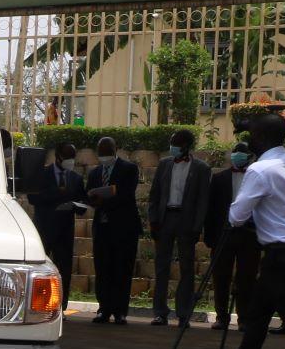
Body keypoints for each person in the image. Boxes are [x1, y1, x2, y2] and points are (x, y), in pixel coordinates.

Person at [205, 113, 285, 349]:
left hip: (281, 253)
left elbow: (237, 216)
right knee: (258, 316)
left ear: (260, 139)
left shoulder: (260, 170)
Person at [147, 128, 211, 325]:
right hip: (166, 218)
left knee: (186, 268)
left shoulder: (201, 168)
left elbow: (203, 200)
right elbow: (155, 194)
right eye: (172, 143)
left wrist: (197, 226)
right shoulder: (165, 164)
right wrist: (154, 220)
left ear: (186, 147)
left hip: (186, 220)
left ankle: (184, 313)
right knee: (161, 267)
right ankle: (160, 312)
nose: (172, 147)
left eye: (176, 144)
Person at [84, 136, 141, 323]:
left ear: (115, 150)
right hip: (102, 226)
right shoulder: (94, 173)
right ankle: (104, 309)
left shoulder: (129, 169)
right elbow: (89, 194)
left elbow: (126, 194)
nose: (104, 156)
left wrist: (105, 200)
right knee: (103, 268)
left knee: (122, 268)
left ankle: (120, 311)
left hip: (124, 227)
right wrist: (91, 200)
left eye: (107, 153)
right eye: (101, 153)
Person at [204, 142, 257, 330]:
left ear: (250, 156)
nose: (237, 155)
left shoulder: (256, 177)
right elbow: (210, 209)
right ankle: (221, 317)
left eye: (241, 153)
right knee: (221, 277)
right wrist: (209, 237)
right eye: (235, 152)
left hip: (249, 234)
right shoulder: (219, 178)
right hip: (223, 234)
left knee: (247, 278)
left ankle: (244, 318)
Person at [26, 141, 86, 291]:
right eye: (67, 156)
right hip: (44, 229)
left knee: (64, 270)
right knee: (39, 270)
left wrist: (79, 205)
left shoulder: (76, 179)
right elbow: (32, 198)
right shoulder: (41, 174)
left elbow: (82, 205)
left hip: (65, 231)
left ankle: (61, 307)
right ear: (58, 156)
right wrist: (58, 194)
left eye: (73, 156)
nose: (70, 160)